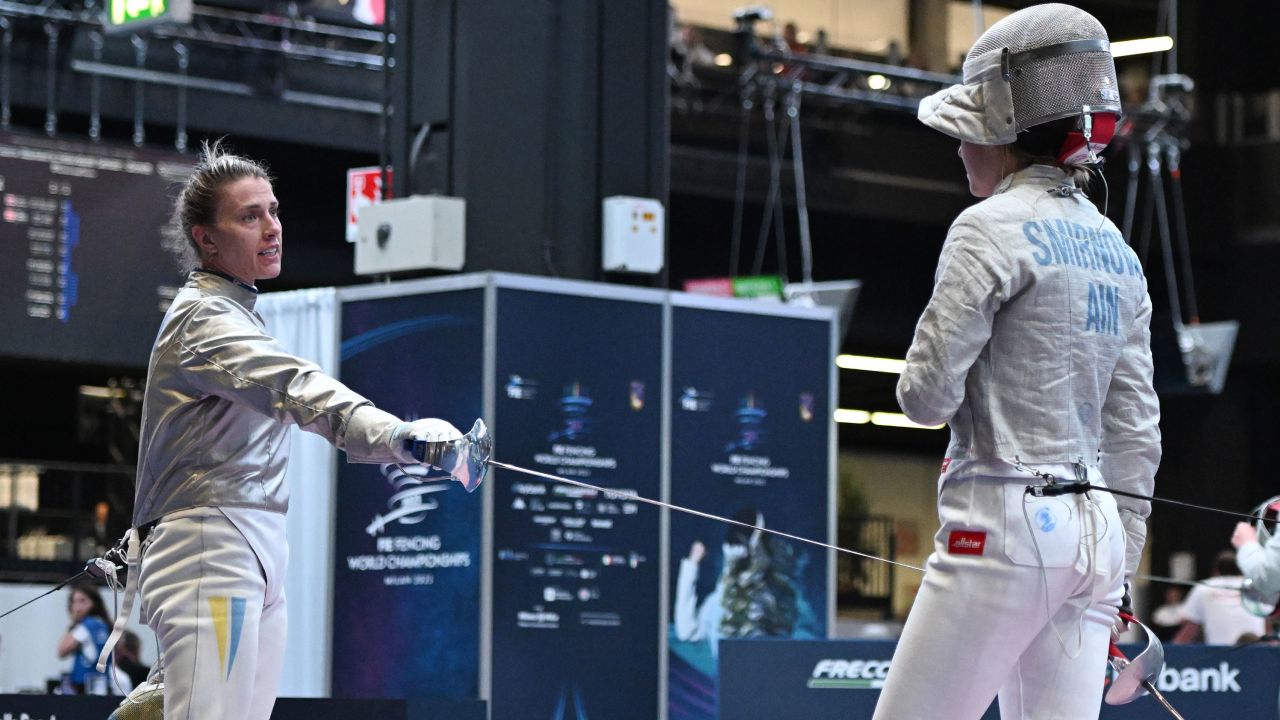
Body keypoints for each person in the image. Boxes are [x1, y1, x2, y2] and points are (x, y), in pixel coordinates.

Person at [109, 140, 482, 720]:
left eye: (274, 211)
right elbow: (297, 389)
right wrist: (396, 436)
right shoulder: (203, 320)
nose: (271, 228)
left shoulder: (234, 312)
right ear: (206, 238)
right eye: (249, 216)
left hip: (255, 546)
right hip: (213, 545)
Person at [871, 5, 1161, 719]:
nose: (961, 150)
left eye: (968, 133)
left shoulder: (986, 228)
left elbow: (925, 397)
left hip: (1002, 521)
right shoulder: (1118, 253)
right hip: (1095, 538)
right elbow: (1136, 434)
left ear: (1002, 134)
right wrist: (1119, 567)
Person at [1171, 550, 1264, 645]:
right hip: (1257, 651)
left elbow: (1189, 628)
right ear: (1241, 570)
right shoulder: (1254, 586)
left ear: (1215, 571)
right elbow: (1268, 623)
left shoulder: (1204, 587)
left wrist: (1170, 652)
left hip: (1222, 654)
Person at [58, 582, 113, 694]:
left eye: (82, 601)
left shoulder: (85, 625)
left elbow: (62, 651)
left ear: (94, 602)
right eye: (74, 602)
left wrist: (73, 622)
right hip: (103, 682)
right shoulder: (105, 625)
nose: (77, 607)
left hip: (84, 684)